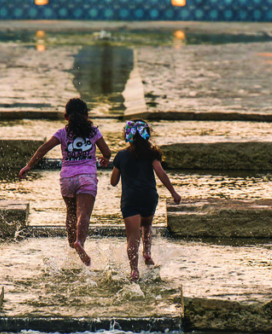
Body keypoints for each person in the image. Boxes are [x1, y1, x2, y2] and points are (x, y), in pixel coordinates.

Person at [20, 98, 111, 266]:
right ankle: (79, 242)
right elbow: (107, 151)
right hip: (87, 178)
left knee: (70, 212)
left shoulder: (62, 133)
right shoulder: (93, 132)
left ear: (66, 117)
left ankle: (71, 245)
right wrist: (105, 158)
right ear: (87, 115)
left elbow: (43, 149)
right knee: (83, 214)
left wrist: (29, 166)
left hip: (67, 179)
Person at [109, 119, 181, 282]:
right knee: (147, 225)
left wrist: (118, 167)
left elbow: (113, 182)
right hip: (149, 197)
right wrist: (173, 193)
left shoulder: (121, 155)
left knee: (132, 238)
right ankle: (147, 252)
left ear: (127, 135)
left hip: (130, 200)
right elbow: (161, 173)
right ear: (146, 134)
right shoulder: (152, 154)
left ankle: (134, 271)